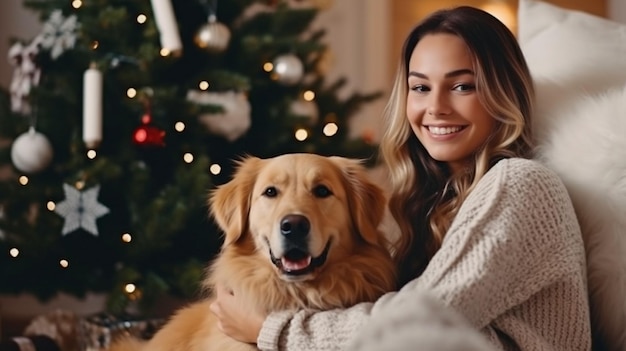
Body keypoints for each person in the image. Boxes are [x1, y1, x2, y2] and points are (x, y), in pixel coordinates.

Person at [209, 5, 592, 350]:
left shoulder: (522, 185)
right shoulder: (430, 206)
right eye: (420, 87)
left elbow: (417, 325)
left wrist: (272, 329)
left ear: (503, 92)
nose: (436, 108)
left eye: (462, 86)